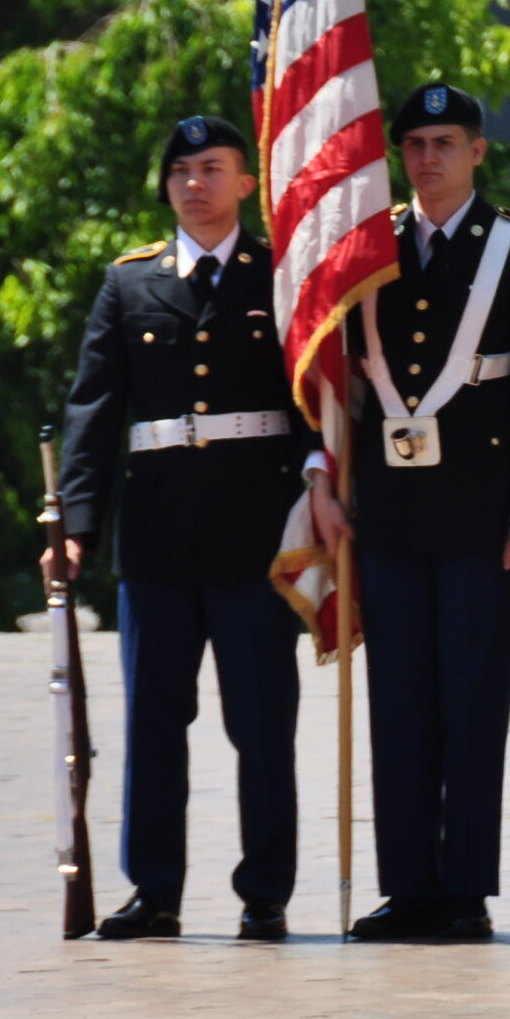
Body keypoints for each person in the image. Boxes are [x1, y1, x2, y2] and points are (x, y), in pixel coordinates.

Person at [55, 114, 318, 941]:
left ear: (246, 182)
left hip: (257, 537)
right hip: (159, 539)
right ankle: (154, 892)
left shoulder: (280, 276)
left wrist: (322, 482)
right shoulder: (129, 282)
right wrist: (77, 524)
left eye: (211, 168)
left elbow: (315, 393)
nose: (193, 183)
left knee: (262, 722)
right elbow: (94, 410)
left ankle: (265, 891)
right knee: (155, 723)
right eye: (180, 171)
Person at [304, 84, 510, 942]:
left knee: (472, 701)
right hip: (392, 511)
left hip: (485, 512)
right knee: (399, 701)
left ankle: (465, 892)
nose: (428, 160)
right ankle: (407, 885)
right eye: (413, 145)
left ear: (479, 151)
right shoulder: (369, 249)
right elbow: (334, 374)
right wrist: (324, 480)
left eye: (446, 143)